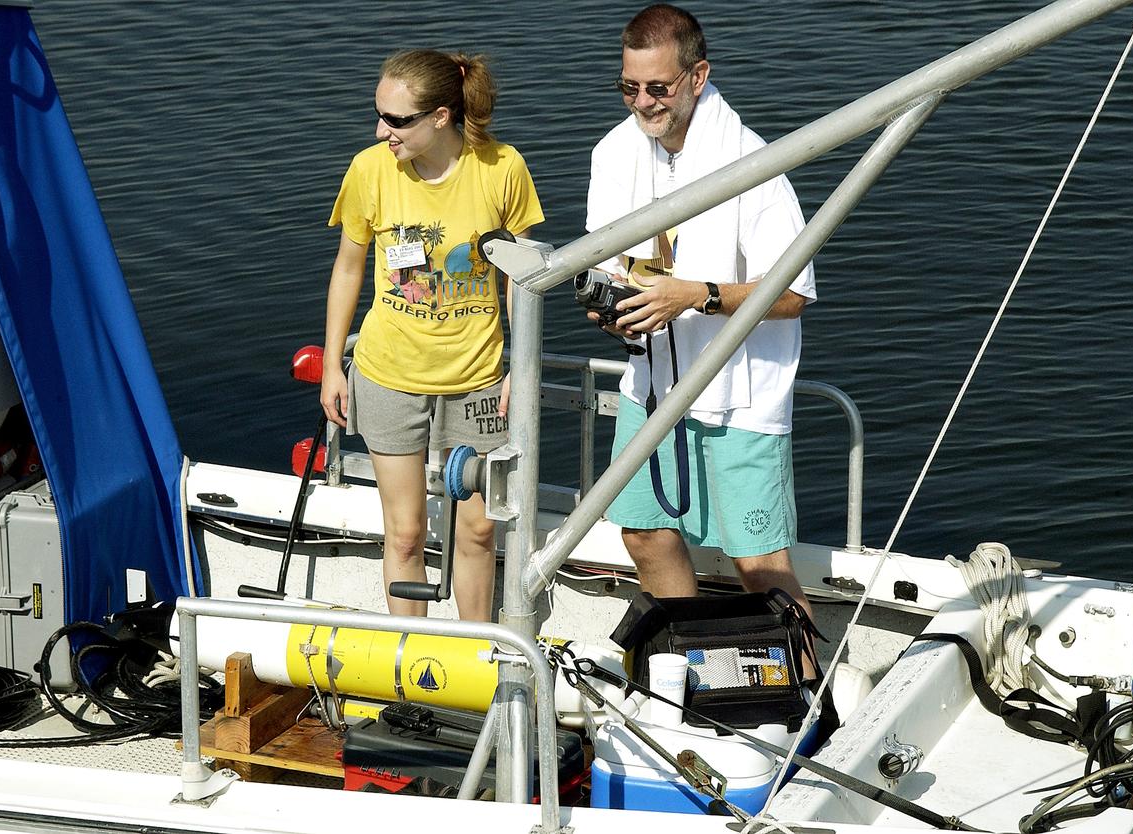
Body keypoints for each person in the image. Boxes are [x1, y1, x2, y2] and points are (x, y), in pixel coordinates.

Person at [587, 5, 817, 624]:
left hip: (740, 396)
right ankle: (688, 660)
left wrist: (696, 296)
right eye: (629, 87)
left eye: (657, 88)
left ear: (697, 76)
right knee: (640, 527)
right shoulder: (613, 154)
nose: (642, 103)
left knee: (758, 566)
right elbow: (608, 263)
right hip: (652, 382)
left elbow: (792, 295)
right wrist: (613, 307)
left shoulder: (755, 163)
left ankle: (809, 697)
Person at [320, 49, 544, 622]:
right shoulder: (370, 169)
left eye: (397, 121)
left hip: (478, 383)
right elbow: (348, 268)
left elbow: (523, 280)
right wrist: (330, 365)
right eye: (380, 116)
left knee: (477, 532)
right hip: (388, 376)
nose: (382, 131)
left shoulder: (502, 169)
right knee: (404, 535)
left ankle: (478, 661)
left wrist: (523, 367)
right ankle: (409, 673)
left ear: (441, 116)